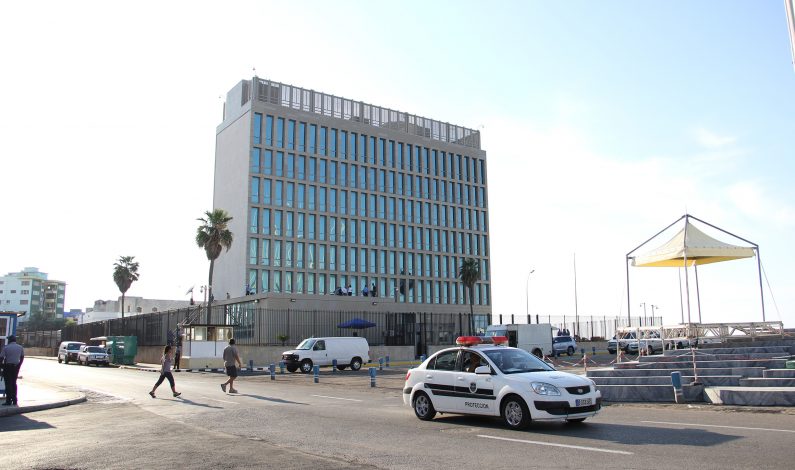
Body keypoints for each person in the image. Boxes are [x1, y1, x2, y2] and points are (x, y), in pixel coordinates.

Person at [1, 335, 24, 406]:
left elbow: (1, 358)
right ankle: (14, 400)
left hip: (8, 367)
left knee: (8, 384)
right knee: (14, 383)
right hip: (16, 367)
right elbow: (22, 357)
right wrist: (19, 366)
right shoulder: (20, 347)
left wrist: (2, 367)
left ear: (10, 340)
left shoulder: (6, 348)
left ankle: (8, 401)